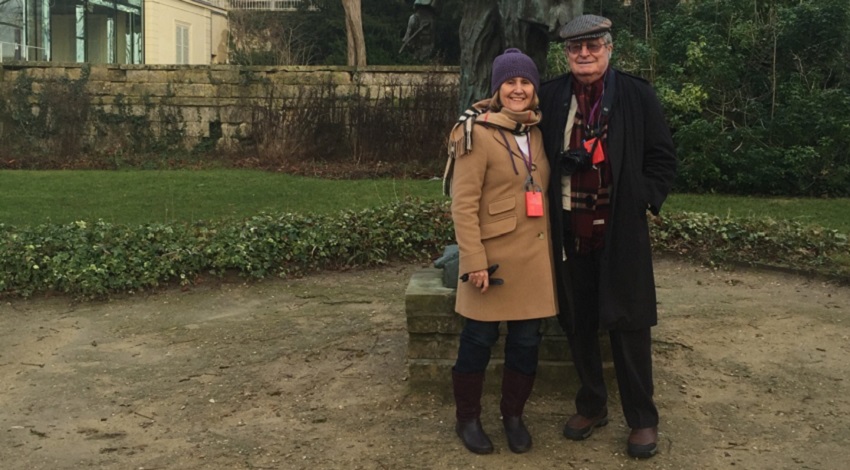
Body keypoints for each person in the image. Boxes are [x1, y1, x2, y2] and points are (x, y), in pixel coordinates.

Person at [537, 14, 678, 459]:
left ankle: (642, 418)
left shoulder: (636, 94)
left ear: (609, 49)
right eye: (575, 48)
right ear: (566, 54)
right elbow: (511, 118)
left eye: (593, 46)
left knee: (629, 322)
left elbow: (662, 157)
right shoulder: (551, 95)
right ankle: (592, 405)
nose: (584, 54)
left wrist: (641, 199)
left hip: (620, 229)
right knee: (578, 321)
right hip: (568, 229)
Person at [444, 48, 557, 455]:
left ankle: (513, 416)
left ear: (535, 89)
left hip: (533, 260)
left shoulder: (538, 132)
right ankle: (467, 419)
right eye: (510, 82)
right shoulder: (475, 133)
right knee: (478, 339)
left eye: (525, 82)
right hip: (490, 262)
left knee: (526, 343)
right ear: (497, 88)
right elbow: (463, 204)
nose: (518, 89)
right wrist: (473, 260)